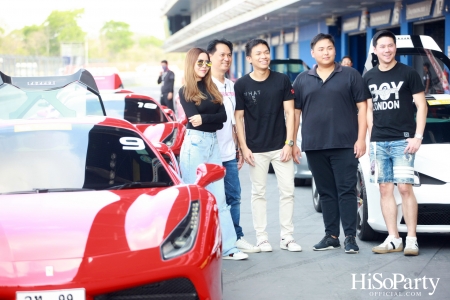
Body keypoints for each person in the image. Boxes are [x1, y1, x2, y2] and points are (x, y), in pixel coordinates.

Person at [292, 33, 370, 254]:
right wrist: (292, 142)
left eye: (329, 48)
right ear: (313, 53)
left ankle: (350, 237)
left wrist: (361, 138)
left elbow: (363, 108)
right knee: (326, 192)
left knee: (346, 191)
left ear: (334, 50)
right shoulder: (302, 79)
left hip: (345, 144)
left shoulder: (350, 75)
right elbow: (295, 113)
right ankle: (331, 236)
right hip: (315, 145)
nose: (325, 52)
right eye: (321, 49)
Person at [178, 47, 248, 261]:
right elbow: (193, 119)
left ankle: (229, 248)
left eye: (206, 63)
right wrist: (211, 117)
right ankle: (193, 250)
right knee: (194, 200)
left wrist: (205, 118)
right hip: (195, 146)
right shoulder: (185, 90)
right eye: (199, 62)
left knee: (221, 198)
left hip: (213, 145)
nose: (203, 66)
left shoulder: (212, 89)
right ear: (191, 64)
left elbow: (223, 119)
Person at [363, 30, 427, 256]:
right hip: (379, 143)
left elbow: (422, 106)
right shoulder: (368, 77)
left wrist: (417, 136)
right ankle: (393, 238)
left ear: (395, 48)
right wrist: (372, 138)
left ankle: (411, 239)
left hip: (403, 141)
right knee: (384, 188)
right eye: (382, 46)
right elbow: (368, 109)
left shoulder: (409, 73)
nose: (387, 50)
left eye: (390, 45)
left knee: (404, 188)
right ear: (376, 50)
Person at [234, 39, 302, 252]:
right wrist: (244, 148)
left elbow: (290, 113)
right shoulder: (242, 84)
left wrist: (289, 143)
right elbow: (239, 118)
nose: (263, 56)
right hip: (255, 149)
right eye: (258, 53)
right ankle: (262, 238)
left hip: (281, 147)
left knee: (287, 192)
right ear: (249, 58)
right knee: (258, 193)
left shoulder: (282, 80)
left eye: (266, 52)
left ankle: (287, 237)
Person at [207, 38, 261, 253]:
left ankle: (236, 237)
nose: (226, 58)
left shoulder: (232, 86)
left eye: (229, 54)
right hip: (209, 155)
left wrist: (239, 147)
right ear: (210, 57)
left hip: (229, 153)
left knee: (233, 197)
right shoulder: (204, 86)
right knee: (213, 200)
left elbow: (236, 121)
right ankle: (215, 240)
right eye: (222, 54)